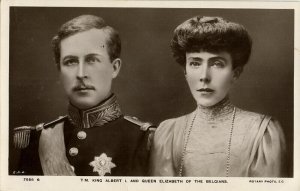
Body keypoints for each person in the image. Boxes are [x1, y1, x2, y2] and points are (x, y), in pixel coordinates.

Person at [11, 15, 155, 176]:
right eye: (71, 62)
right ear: (59, 70)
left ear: (114, 68)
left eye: (92, 60)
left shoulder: (145, 141)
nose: (81, 74)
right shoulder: (37, 140)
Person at [150, 16, 286, 177]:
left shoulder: (261, 132)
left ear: (235, 73)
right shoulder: (168, 133)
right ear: (185, 72)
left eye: (217, 63)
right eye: (195, 63)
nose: (204, 76)